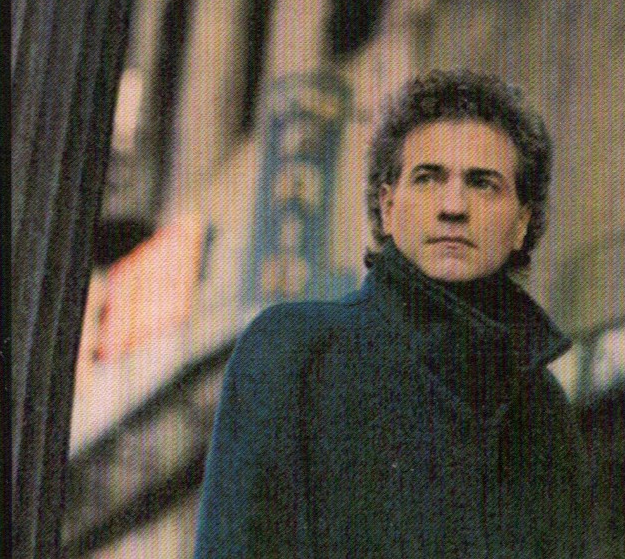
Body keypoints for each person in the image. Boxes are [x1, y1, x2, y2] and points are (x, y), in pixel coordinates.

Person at [194, 70, 592, 558]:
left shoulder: (542, 408)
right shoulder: (296, 348)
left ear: (522, 223)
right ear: (387, 206)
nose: (453, 207)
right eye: (428, 178)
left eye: (482, 184)